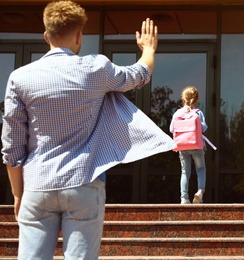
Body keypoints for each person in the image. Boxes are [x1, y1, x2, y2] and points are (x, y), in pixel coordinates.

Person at [1, 0, 165, 259]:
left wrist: (18, 194)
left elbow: (12, 147)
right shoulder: (95, 68)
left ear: (46, 36)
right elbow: (139, 74)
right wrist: (148, 49)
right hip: (84, 183)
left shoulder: (19, 78)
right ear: (79, 36)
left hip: (36, 184)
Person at [170, 86, 208, 204]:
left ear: (183, 99)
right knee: (201, 169)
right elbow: (204, 128)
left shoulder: (177, 113)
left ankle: (184, 198)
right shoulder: (198, 112)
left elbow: (172, 129)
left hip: (182, 146)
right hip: (196, 145)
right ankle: (200, 192)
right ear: (196, 100)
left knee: (185, 171)